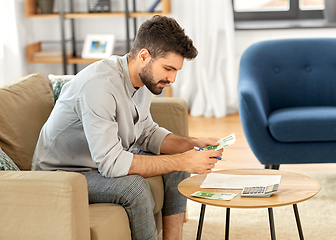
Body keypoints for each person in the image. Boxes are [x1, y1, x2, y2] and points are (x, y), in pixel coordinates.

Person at [32, 15, 223, 240]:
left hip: (96, 162)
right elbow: (111, 164)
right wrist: (184, 160)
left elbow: (146, 133)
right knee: (134, 188)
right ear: (144, 56)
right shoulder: (99, 86)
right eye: (168, 68)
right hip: (62, 174)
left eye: (176, 71)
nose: (172, 78)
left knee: (177, 159)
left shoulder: (143, 80)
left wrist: (192, 144)